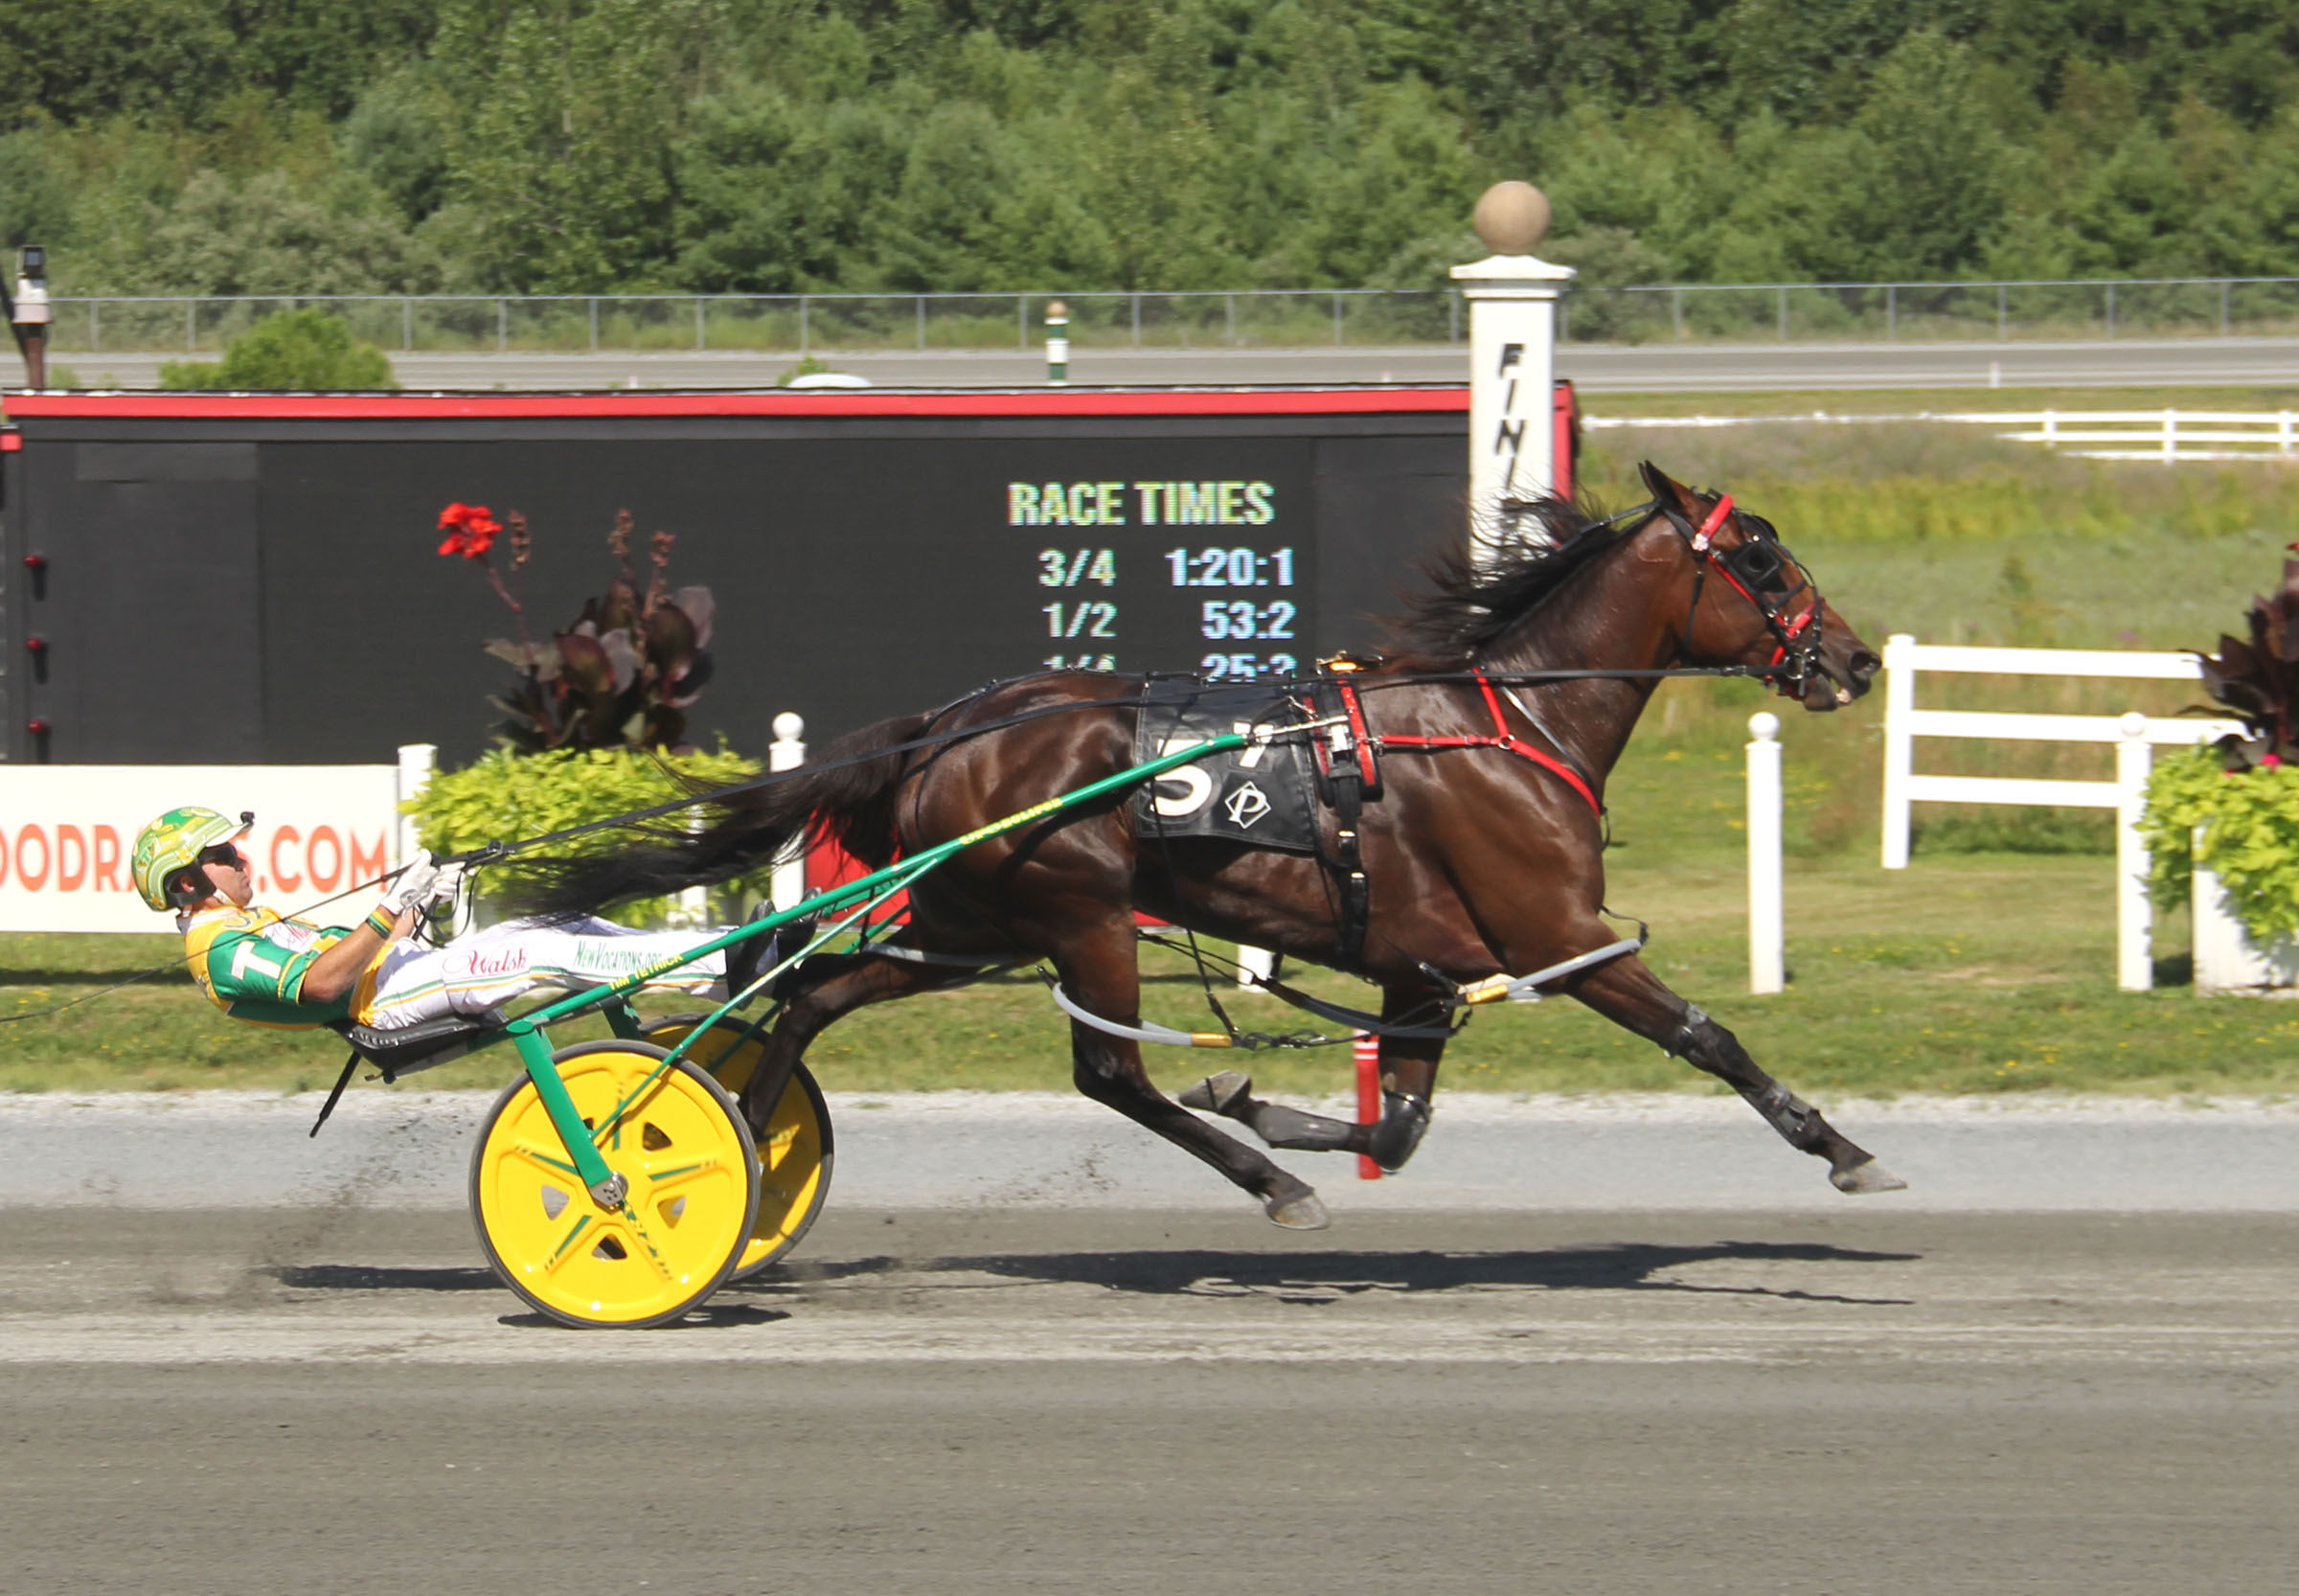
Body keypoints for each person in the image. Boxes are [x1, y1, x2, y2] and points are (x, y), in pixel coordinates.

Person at [130, 806, 755, 1034]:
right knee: (543, 953)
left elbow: (362, 952)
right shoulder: (219, 949)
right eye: (221, 856)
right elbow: (323, 984)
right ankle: (733, 967)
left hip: (403, 972)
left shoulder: (244, 919)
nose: (240, 857)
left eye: (234, 848)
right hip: (385, 1003)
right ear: (185, 884)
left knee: (557, 924)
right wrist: (386, 907)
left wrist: (419, 902)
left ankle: (730, 950)